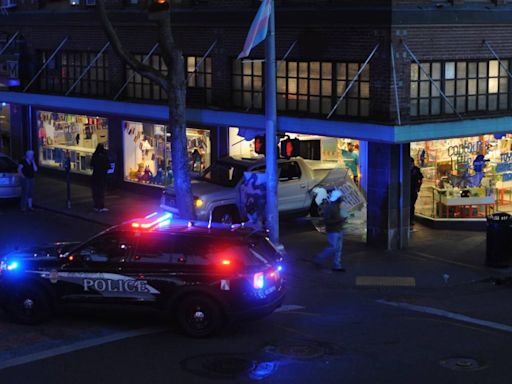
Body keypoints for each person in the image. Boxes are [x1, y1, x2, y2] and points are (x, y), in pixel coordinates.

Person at [314, 189, 347, 272]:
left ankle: (337, 266)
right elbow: (326, 220)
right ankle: (319, 259)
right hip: (333, 231)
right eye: (341, 198)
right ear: (338, 198)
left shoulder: (338, 206)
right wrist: (339, 220)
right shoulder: (330, 208)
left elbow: (343, 216)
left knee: (337, 249)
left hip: (338, 230)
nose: (342, 199)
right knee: (333, 247)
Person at [90, 143, 110, 212]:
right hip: (102, 176)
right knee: (101, 192)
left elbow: (91, 164)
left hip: (95, 176)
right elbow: (108, 166)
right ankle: (101, 206)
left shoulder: (95, 155)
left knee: (95, 192)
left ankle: (96, 206)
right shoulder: (104, 156)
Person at [410, 157, 423, 226]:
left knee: (412, 205)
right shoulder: (404, 169)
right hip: (407, 190)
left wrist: (419, 187)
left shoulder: (416, 169)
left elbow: (421, 179)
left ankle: (411, 219)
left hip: (413, 190)